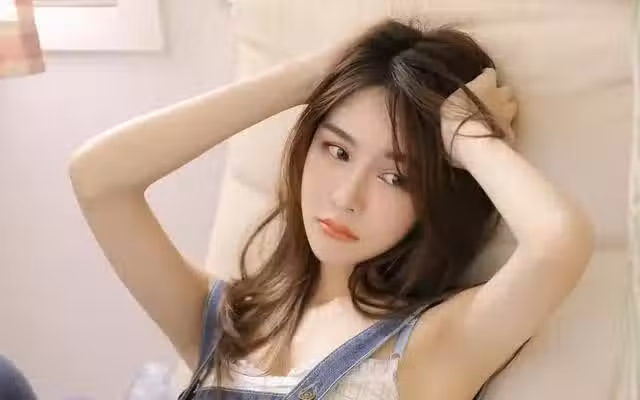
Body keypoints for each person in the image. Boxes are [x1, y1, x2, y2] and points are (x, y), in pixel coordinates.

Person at [68, 18, 594, 400]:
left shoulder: (434, 344)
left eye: (395, 177)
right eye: (337, 151)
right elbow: (97, 178)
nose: (346, 197)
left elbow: (556, 244)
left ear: (434, 199)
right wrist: (309, 78)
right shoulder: (224, 321)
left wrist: (466, 135)